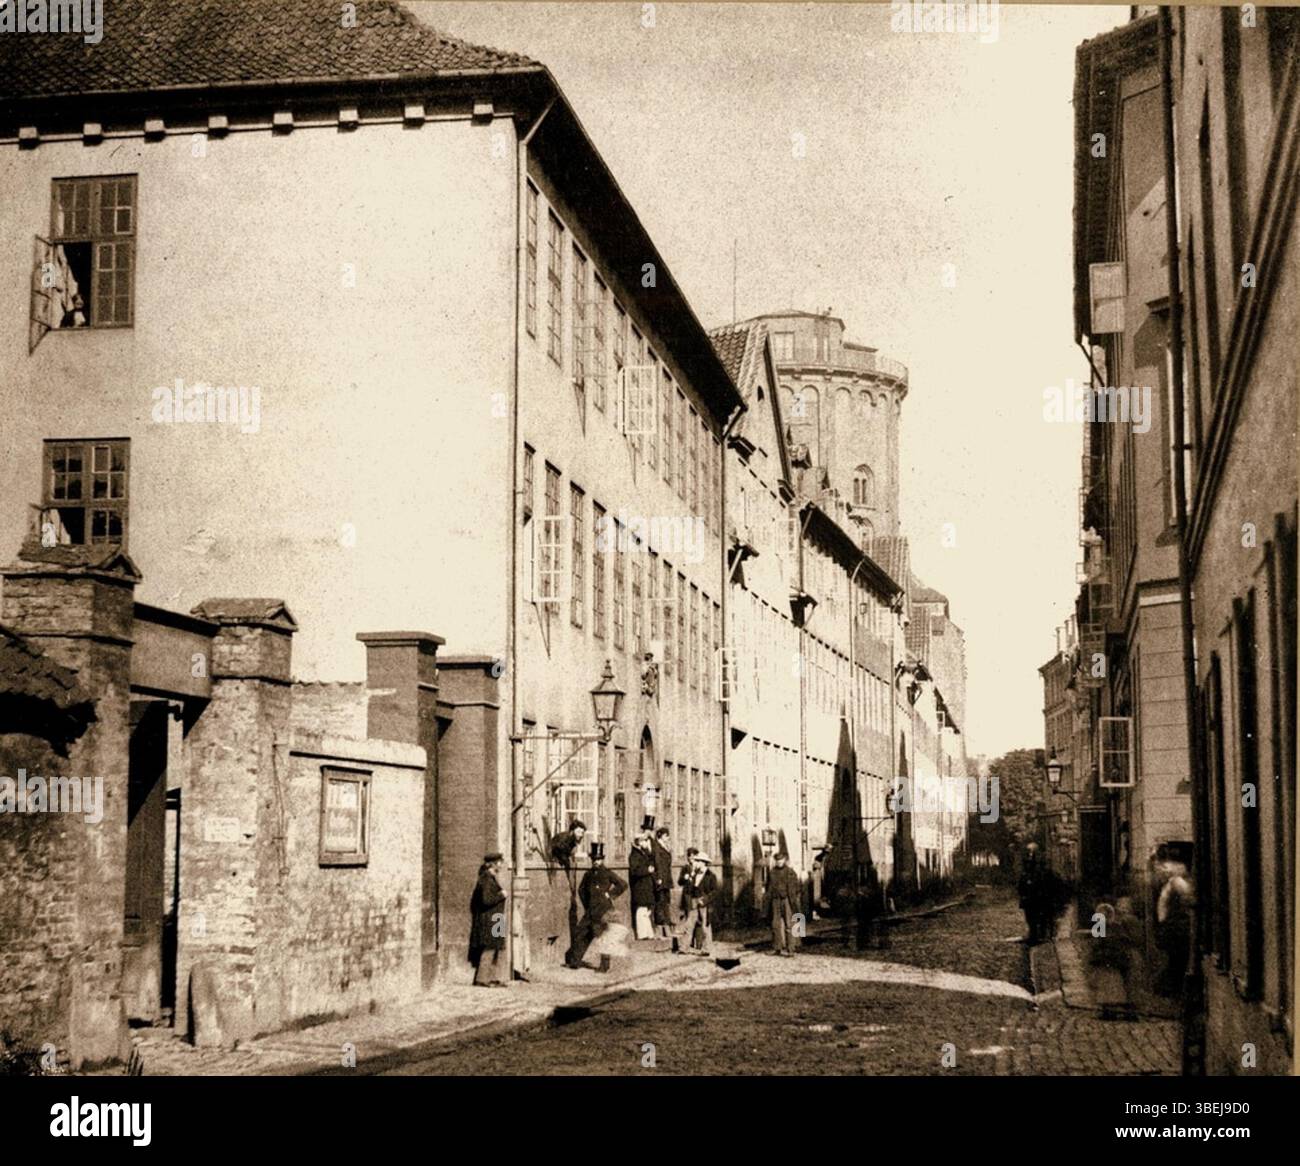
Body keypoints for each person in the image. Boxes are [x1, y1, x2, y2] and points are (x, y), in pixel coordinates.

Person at [568, 842, 627, 971]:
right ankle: (575, 961)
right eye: (594, 859)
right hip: (591, 910)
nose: (596, 862)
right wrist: (587, 904)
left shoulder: (607, 873)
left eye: (598, 859)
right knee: (581, 933)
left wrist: (610, 895)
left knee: (604, 937)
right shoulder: (588, 875)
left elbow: (622, 884)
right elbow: (581, 890)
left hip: (604, 910)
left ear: (602, 860)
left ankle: (604, 966)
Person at [1155, 847, 1194, 996]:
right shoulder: (1172, 882)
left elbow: (1187, 899)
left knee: (1177, 960)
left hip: (1177, 928)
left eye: (1167, 867)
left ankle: (1174, 991)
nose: (1165, 870)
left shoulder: (1177, 882)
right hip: (1171, 928)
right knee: (1175, 960)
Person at [469, 853, 509, 987]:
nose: (501, 865)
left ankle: (494, 977)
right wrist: (501, 895)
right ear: (493, 864)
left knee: (497, 947)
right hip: (491, 919)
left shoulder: (491, 878)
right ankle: (482, 979)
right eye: (499, 862)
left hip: (497, 918)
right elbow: (486, 900)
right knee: (490, 947)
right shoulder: (486, 879)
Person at [682, 852, 718, 956]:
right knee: (689, 924)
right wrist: (691, 876)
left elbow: (714, 891)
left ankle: (706, 949)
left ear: (703, 863)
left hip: (705, 904)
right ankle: (684, 947)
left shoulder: (711, 876)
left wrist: (705, 900)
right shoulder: (695, 875)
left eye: (697, 861)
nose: (695, 863)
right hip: (694, 901)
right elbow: (688, 890)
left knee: (705, 926)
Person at [769, 852, 801, 957]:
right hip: (775, 900)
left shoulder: (790, 872)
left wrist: (792, 897)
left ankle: (790, 949)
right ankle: (777, 948)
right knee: (775, 924)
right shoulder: (772, 872)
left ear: (784, 860)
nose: (779, 862)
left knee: (789, 924)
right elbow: (769, 887)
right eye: (777, 860)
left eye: (781, 860)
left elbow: (797, 886)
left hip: (787, 900)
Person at [628, 833, 657, 940]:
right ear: (639, 842)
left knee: (645, 910)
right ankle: (642, 934)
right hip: (639, 887)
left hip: (645, 886)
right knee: (641, 910)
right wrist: (647, 870)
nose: (646, 843)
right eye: (644, 841)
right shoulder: (634, 855)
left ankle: (647, 933)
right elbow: (634, 871)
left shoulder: (643, 853)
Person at [1017, 842, 1047, 944]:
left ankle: (1036, 936)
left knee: (1035, 916)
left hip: (1035, 896)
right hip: (1028, 896)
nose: (1030, 854)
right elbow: (1022, 880)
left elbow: (1041, 881)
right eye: (1029, 851)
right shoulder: (1027, 865)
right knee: (1029, 917)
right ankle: (1033, 934)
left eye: (1032, 851)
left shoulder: (1039, 867)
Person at [673, 847, 699, 952]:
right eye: (689, 855)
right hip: (688, 894)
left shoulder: (699, 868)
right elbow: (679, 881)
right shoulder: (685, 868)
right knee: (689, 916)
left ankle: (697, 941)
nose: (691, 858)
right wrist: (685, 878)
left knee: (697, 917)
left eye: (693, 856)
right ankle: (689, 942)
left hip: (696, 894)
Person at [651, 826, 674, 938]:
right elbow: (657, 863)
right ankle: (660, 928)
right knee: (660, 902)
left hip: (666, 878)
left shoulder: (665, 846)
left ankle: (666, 927)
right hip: (661, 879)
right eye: (666, 835)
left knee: (666, 902)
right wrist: (658, 878)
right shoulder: (656, 846)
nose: (668, 838)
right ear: (661, 836)